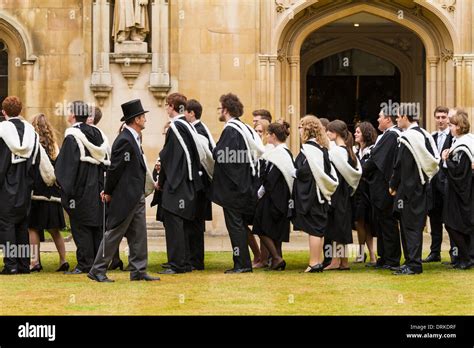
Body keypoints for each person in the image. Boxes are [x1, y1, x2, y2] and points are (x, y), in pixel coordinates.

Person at [88, 99, 159, 282]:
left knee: (139, 234)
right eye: (143, 116)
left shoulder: (133, 138)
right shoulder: (125, 140)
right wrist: (108, 191)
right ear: (136, 119)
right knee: (115, 233)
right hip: (125, 196)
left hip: (136, 195)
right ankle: (97, 270)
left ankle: (138, 270)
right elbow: (114, 169)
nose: (145, 119)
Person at [0, 96, 55, 274]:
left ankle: (11, 265)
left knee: (7, 224)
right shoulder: (31, 132)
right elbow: (39, 160)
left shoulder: (2, 131)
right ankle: (23, 265)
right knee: (22, 225)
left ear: (4, 112)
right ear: (20, 111)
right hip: (26, 185)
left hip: (7, 185)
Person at [211, 93, 265, 273]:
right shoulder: (244, 127)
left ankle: (242, 264)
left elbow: (225, 158)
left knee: (235, 227)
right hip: (246, 185)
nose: (218, 111)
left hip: (235, 189)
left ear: (226, 110)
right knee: (239, 226)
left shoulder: (231, 130)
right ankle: (243, 262)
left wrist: (215, 150)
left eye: (219, 108)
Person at [55, 101, 110, 275]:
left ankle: (85, 264)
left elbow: (67, 167)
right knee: (96, 223)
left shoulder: (73, 136)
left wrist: (65, 189)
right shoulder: (99, 134)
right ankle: (98, 262)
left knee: (81, 225)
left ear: (73, 115)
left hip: (80, 187)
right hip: (99, 186)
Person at [158, 93, 206, 274]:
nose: (165, 108)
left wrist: (161, 181)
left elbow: (169, 158)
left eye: (166, 105)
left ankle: (177, 264)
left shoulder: (176, 127)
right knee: (184, 225)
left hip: (177, 185)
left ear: (171, 106)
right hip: (189, 183)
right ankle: (184, 262)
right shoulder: (186, 126)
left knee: (174, 224)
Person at [389, 106, 439, 275]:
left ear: (405, 116)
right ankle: (410, 261)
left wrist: (393, 185)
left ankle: (413, 264)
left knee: (409, 227)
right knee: (415, 226)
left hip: (408, 190)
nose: (396, 120)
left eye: (398, 117)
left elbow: (398, 164)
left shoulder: (407, 138)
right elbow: (434, 160)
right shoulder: (425, 135)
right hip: (423, 187)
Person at [293, 115, 338, 273]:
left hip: (313, 195)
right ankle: (317, 261)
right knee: (318, 229)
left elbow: (305, 172)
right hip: (321, 195)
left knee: (314, 229)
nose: (298, 131)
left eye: (300, 127)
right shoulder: (321, 148)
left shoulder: (310, 150)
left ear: (307, 130)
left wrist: (294, 172)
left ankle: (314, 263)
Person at [28, 113, 69, 273]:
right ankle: (63, 260)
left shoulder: (32, 144)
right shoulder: (54, 145)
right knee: (54, 230)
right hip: (53, 193)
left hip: (37, 192)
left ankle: (34, 261)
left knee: (32, 228)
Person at [363, 110, 401, 270]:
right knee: (381, 222)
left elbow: (376, 159)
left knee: (388, 223)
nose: (377, 119)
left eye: (380, 116)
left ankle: (391, 259)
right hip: (380, 186)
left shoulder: (392, 135)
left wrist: (360, 170)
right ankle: (384, 257)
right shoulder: (387, 135)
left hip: (385, 187)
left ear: (388, 119)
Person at [253, 121, 294, 271]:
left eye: (268, 134)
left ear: (274, 135)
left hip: (274, 197)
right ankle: (277, 260)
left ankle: (277, 258)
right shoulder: (283, 152)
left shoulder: (280, 153)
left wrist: (260, 192)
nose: (266, 137)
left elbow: (272, 178)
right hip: (280, 197)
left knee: (260, 227)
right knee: (275, 230)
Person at [325, 120, 362, 270]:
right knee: (343, 225)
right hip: (345, 193)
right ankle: (344, 262)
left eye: (328, 131)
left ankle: (335, 262)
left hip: (337, 193)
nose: (326, 134)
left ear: (336, 133)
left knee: (336, 226)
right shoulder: (348, 150)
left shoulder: (337, 152)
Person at [184, 99, 215, 270]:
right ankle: (193, 259)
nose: (184, 115)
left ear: (192, 113)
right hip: (199, 185)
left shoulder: (198, 131)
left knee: (195, 224)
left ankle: (195, 260)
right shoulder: (198, 129)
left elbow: (205, 157)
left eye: (186, 112)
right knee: (194, 223)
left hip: (200, 185)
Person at [441, 109, 473, 269]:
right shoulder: (462, 142)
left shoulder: (464, 145)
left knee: (452, 224)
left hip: (461, 192)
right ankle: (463, 257)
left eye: (452, 125)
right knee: (456, 225)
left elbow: (460, 172)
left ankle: (466, 258)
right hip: (459, 191)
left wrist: (446, 160)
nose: (450, 128)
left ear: (459, 127)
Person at [424, 106, 454, 263]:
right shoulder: (431, 137)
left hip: (448, 188)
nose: (441, 120)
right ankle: (434, 253)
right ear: (434, 118)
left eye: (444, 117)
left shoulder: (454, 137)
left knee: (450, 223)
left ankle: (454, 253)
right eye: (438, 117)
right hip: (433, 188)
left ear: (448, 119)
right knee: (434, 222)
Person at [353, 122, 378, 265]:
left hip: (368, 190)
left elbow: (367, 169)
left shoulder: (372, 150)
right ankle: (363, 253)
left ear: (365, 133)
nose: (355, 134)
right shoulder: (355, 151)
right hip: (357, 191)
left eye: (358, 132)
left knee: (367, 223)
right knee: (359, 222)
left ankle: (369, 254)